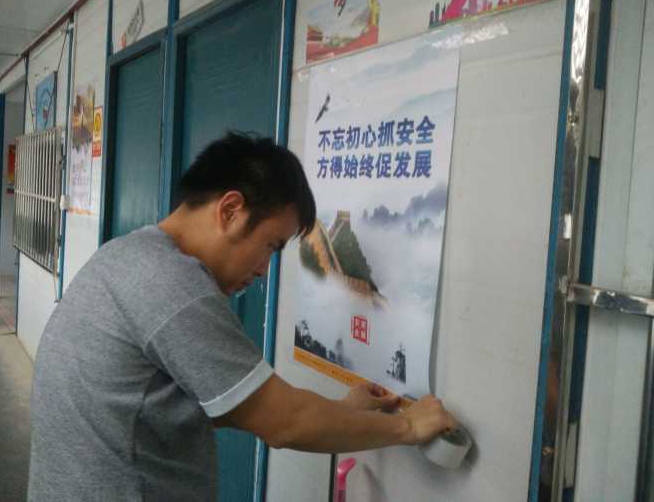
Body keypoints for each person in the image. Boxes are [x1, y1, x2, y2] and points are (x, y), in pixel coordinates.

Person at [28, 131, 457, 501]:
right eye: (271, 246)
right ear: (230, 210)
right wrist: (408, 427)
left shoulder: (126, 255)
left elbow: (222, 405)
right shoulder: (174, 287)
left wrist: (343, 411)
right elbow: (283, 423)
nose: (264, 270)